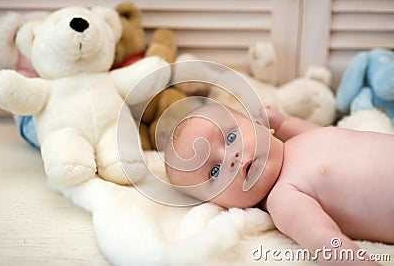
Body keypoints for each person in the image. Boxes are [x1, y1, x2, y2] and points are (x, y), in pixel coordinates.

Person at [165, 103, 394, 266]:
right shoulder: (283, 197)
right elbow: (324, 240)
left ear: (259, 125)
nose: (230, 158)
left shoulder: (297, 142)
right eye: (214, 172)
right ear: (219, 203)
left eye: (231, 137)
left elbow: (328, 133)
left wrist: (285, 122)